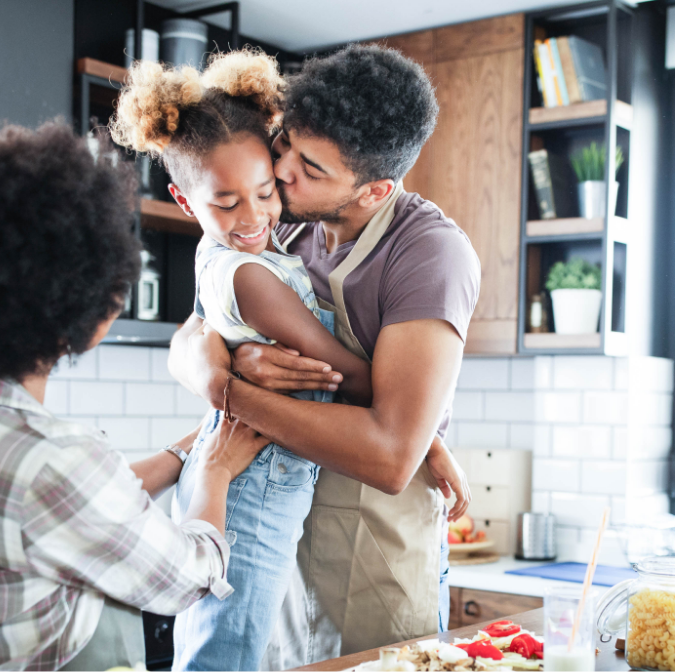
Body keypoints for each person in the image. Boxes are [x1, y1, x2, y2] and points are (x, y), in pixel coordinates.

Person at [0, 122, 269, 672]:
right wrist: (215, 476)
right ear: (83, 302)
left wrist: (190, 450)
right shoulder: (53, 457)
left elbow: (68, 509)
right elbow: (185, 577)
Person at [168, 44, 482, 668]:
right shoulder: (282, 222)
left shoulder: (430, 254)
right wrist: (209, 363)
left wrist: (231, 389)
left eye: (310, 167)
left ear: (374, 190)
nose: (280, 172)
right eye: (286, 145)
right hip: (279, 532)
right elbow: (197, 331)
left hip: (376, 551)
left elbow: (391, 456)